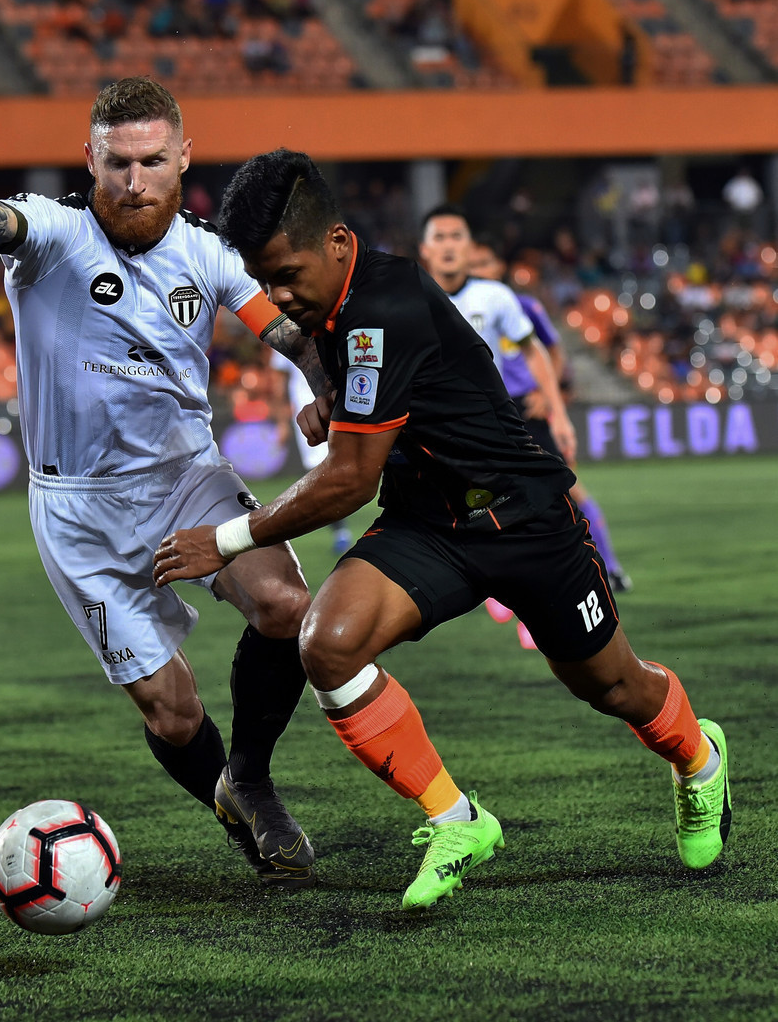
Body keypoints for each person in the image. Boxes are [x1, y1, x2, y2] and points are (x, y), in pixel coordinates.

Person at [153, 149, 731, 911]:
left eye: (287, 274)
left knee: (612, 686)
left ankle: (698, 759)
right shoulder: (336, 298)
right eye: (264, 279)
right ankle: (457, 820)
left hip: (525, 518)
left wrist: (226, 541)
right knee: (327, 642)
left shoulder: (381, 305)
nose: (276, 295)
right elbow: (374, 388)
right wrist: (333, 398)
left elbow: (350, 480)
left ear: (335, 241)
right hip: (431, 522)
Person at [0, 80, 333, 889]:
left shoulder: (209, 254)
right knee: (172, 712)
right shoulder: (54, 234)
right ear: (91, 160)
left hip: (186, 476)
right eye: (117, 163)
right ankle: (222, 794)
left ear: (182, 157)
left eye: (152, 161)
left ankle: (249, 779)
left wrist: (323, 380)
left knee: (287, 605)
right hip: (78, 510)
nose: (134, 180)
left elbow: (287, 332)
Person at [448, 224, 633, 596]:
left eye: (486, 262)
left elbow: (553, 350)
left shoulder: (522, 305)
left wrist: (549, 397)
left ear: (500, 266)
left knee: (570, 489)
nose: (479, 269)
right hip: (487, 414)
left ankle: (609, 567)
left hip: (528, 409)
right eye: (475, 262)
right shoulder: (455, 305)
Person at [270, 347, 353, 555]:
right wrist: (280, 421)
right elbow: (278, 381)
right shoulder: (281, 332)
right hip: (307, 412)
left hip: (341, 405)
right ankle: (340, 531)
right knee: (321, 469)